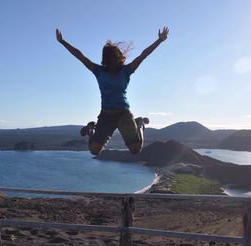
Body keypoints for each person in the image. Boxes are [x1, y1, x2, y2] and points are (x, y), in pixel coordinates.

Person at [56, 27, 169, 155]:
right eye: (110, 58)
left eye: (115, 57)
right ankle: (90, 130)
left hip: (123, 113)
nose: (113, 61)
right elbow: (80, 56)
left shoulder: (126, 70)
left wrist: (159, 41)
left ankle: (140, 125)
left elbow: (143, 55)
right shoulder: (98, 71)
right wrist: (63, 42)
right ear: (106, 60)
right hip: (106, 115)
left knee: (136, 149)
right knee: (94, 151)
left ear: (119, 57)